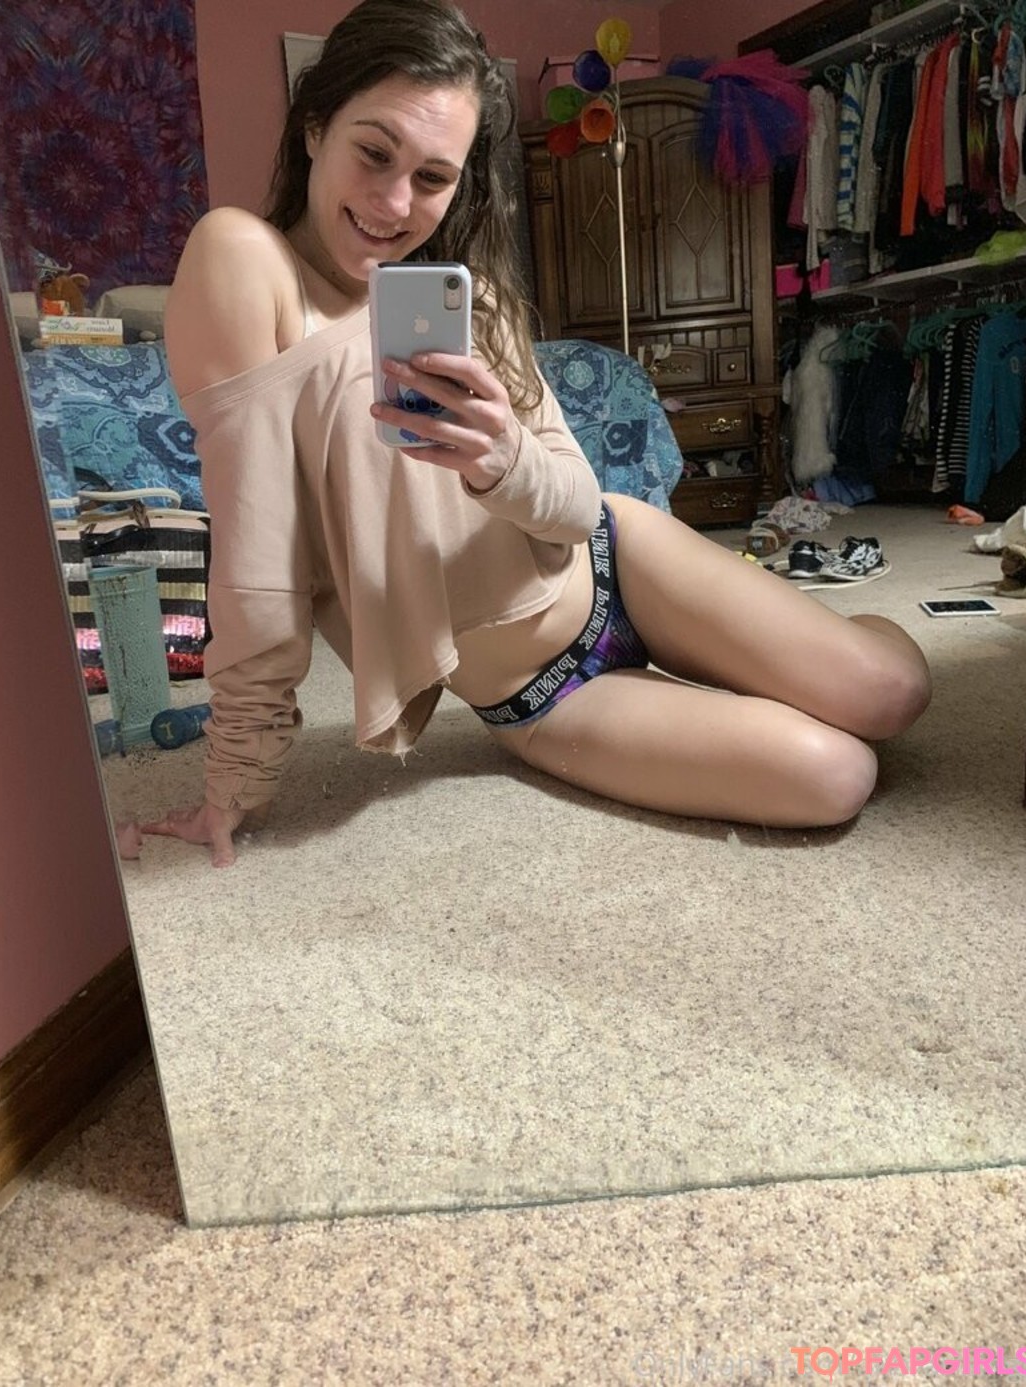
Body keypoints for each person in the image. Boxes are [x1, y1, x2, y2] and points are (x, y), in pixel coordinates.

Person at [145, 0, 931, 868]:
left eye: (433, 177)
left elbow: (577, 502)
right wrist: (238, 777)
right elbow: (257, 559)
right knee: (837, 775)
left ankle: (825, 637)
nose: (395, 203)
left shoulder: (466, 299)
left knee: (896, 692)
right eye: (374, 153)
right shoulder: (243, 260)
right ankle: (774, 659)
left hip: (621, 559)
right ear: (314, 126)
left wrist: (504, 461)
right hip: (540, 693)